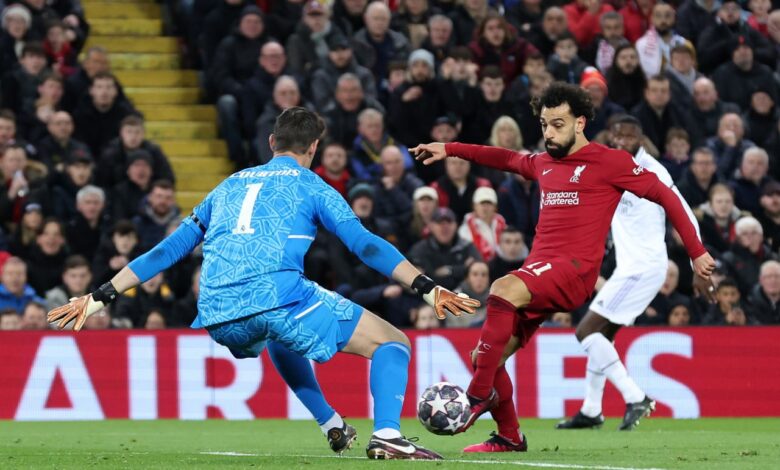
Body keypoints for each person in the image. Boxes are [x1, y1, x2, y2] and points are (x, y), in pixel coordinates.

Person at [48, 107, 479, 460]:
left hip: (216, 313)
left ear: (272, 143)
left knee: (281, 335)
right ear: (313, 147)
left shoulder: (228, 185)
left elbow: (168, 250)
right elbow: (363, 245)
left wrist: (100, 296)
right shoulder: (313, 186)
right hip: (275, 297)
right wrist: (425, 286)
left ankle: (331, 424)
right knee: (392, 342)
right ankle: (387, 433)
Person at [410, 82, 715, 453]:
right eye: (543, 125)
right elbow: (504, 158)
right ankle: (510, 435)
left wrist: (696, 252)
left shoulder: (611, 162)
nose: (549, 133)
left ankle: (475, 399)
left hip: (574, 271)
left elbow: (666, 195)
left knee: (502, 289)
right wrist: (450, 149)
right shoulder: (543, 163)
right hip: (542, 271)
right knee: (486, 358)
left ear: (580, 122)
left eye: (557, 124)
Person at [555, 115, 711, 432]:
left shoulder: (653, 170)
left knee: (586, 331)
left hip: (644, 268)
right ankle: (591, 409)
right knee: (604, 336)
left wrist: (697, 260)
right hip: (630, 268)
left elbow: (681, 210)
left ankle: (635, 396)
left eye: (631, 135)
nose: (624, 140)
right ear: (612, 137)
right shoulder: (612, 166)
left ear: (641, 137)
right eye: (619, 135)